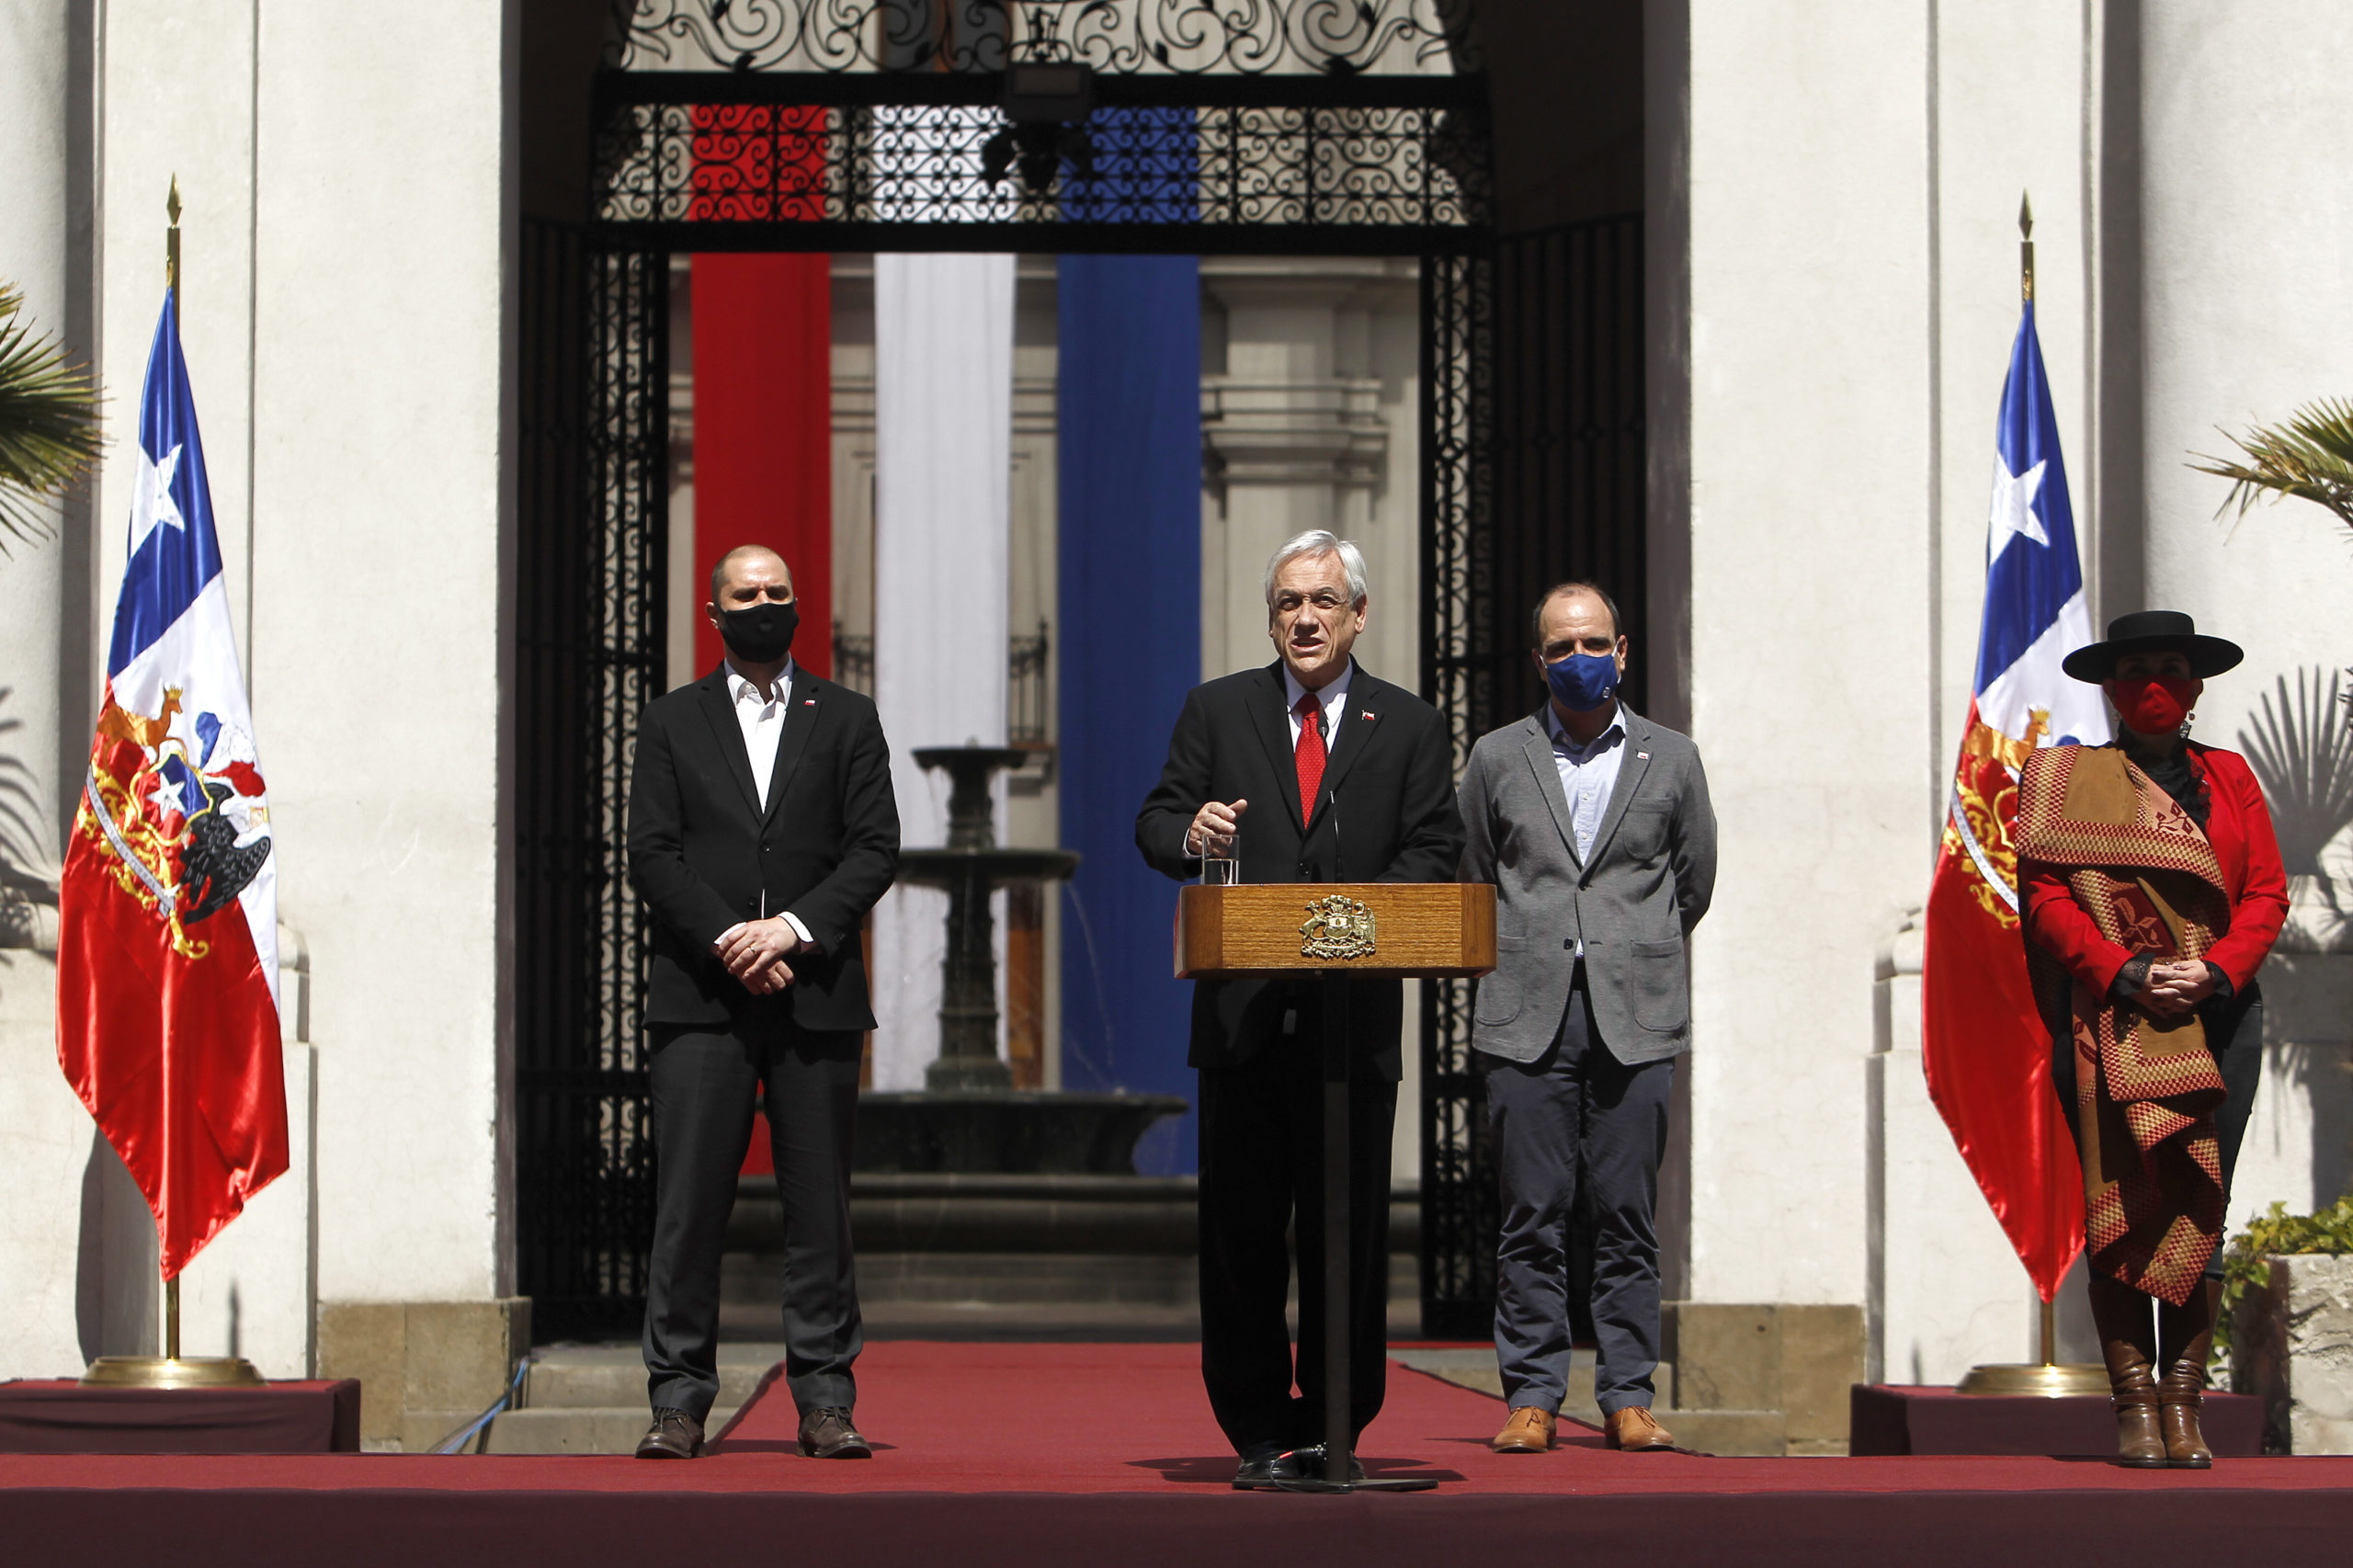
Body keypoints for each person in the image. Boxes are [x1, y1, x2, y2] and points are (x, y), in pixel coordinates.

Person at [1135, 529, 1463, 1487]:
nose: (1305, 618)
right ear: (1271, 617)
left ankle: (1332, 1423)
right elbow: (1155, 821)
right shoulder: (1218, 709)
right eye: (1288, 602)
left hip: (1349, 1027)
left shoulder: (1408, 726)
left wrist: (1346, 922)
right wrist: (1191, 832)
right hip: (1242, 1022)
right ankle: (1256, 1428)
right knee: (1242, 1236)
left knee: (1344, 1235)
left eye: (1323, 601)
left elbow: (1433, 850)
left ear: (1357, 615)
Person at [625, 544, 900, 1460]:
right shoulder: (671, 720)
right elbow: (652, 851)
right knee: (689, 1205)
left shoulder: (847, 717)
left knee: (819, 1211)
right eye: (746, 594)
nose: (764, 604)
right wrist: (729, 938)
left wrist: (788, 929)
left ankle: (824, 1398)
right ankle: (677, 1400)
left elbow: (874, 847)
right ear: (715, 613)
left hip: (815, 995)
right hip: (701, 1000)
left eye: (777, 591)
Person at [2018, 609, 2287, 1469]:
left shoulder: (2233, 778)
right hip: (2109, 1018)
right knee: (2119, 1197)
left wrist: (2215, 971)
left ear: (2197, 684)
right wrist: (2124, 969)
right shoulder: (2065, 780)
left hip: (2218, 1018)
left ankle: (2184, 1403)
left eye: (2171, 667)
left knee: (2203, 1196)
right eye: (2135, 671)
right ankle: (2133, 1403)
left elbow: (2267, 894)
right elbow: (2046, 896)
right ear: (2110, 689)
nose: (2154, 685)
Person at [1456, 582, 1716, 1455]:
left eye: (1594, 643)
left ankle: (1627, 1395)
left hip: (1633, 1015)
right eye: (1562, 646)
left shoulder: (1671, 758)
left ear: (1623, 651)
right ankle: (1532, 1395)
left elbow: (1693, 881)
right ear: (1539, 660)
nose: (1580, 659)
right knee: (1531, 1213)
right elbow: (1474, 872)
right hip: (1526, 1012)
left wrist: (1625, 946)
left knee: (1626, 1215)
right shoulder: (1497, 757)